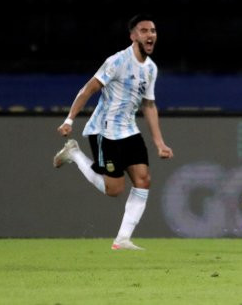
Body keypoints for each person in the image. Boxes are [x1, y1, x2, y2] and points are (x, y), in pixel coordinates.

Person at [53, 13, 174, 250]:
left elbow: (148, 105)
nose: (150, 35)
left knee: (143, 180)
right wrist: (69, 120)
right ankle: (74, 154)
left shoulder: (150, 69)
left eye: (153, 31)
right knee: (114, 190)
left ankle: (122, 240)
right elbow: (87, 89)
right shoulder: (117, 62)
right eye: (144, 30)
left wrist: (160, 143)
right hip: (104, 131)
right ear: (133, 35)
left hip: (129, 130)